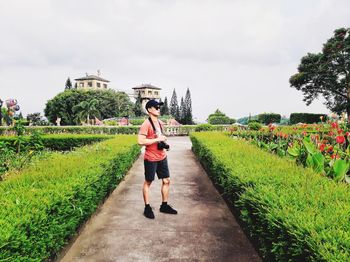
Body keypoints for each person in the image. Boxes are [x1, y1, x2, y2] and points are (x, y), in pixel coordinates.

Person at [138, 99, 178, 219]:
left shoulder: (160, 123)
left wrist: (164, 145)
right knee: (148, 182)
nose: (159, 109)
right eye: (156, 107)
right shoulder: (146, 124)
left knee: (166, 181)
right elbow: (140, 141)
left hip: (162, 156)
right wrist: (157, 140)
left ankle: (164, 205)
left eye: (159, 107)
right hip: (151, 158)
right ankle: (147, 207)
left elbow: (159, 137)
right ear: (150, 109)